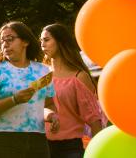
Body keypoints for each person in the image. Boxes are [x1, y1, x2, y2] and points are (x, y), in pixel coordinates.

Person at [0, 21, 55, 158]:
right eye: (2, 41)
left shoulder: (43, 71)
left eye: (10, 39)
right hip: (3, 140)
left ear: (25, 41)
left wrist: (51, 116)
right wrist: (14, 100)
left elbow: (48, 104)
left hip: (37, 140)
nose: (5, 44)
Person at [40, 24, 104, 158]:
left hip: (70, 148)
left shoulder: (79, 77)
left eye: (46, 40)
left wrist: (100, 152)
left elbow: (93, 119)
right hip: (41, 145)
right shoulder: (42, 75)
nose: (42, 44)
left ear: (60, 41)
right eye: (41, 41)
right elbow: (33, 107)